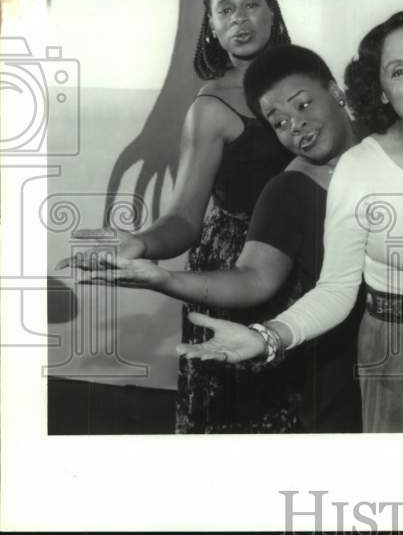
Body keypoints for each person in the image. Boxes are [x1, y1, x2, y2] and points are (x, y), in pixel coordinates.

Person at [173, 10, 403, 433]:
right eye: (399, 72)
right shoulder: (361, 166)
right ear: (382, 92)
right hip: (398, 351)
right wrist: (268, 337)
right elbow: (336, 290)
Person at [63, 44, 365, 433]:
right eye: (279, 122)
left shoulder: (392, 148)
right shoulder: (287, 191)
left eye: (303, 106)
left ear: (335, 92)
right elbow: (253, 277)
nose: (296, 126)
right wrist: (165, 279)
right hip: (339, 375)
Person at [62, 0, 295, 433]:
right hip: (228, 275)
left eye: (251, 5)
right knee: (238, 421)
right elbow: (185, 219)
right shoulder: (210, 108)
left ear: (272, 13)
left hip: (301, 268)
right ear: (211, 27)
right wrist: (141, 244)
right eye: (225, 10)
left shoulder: (305, 82)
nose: (240, 18)